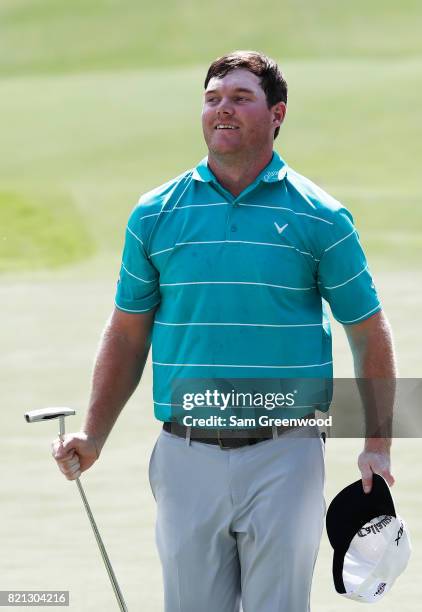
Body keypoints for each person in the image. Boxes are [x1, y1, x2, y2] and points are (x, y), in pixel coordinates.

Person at [52, 51, 396, 611]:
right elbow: (127, 335)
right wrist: (93, 435)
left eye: (240, 98)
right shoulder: (154, 214)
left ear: (277, 114)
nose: (222, 109)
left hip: (286, 452)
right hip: (185, 452)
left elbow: (368, 332)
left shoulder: (322, 216)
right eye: (213, 99)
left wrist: (377, 446)